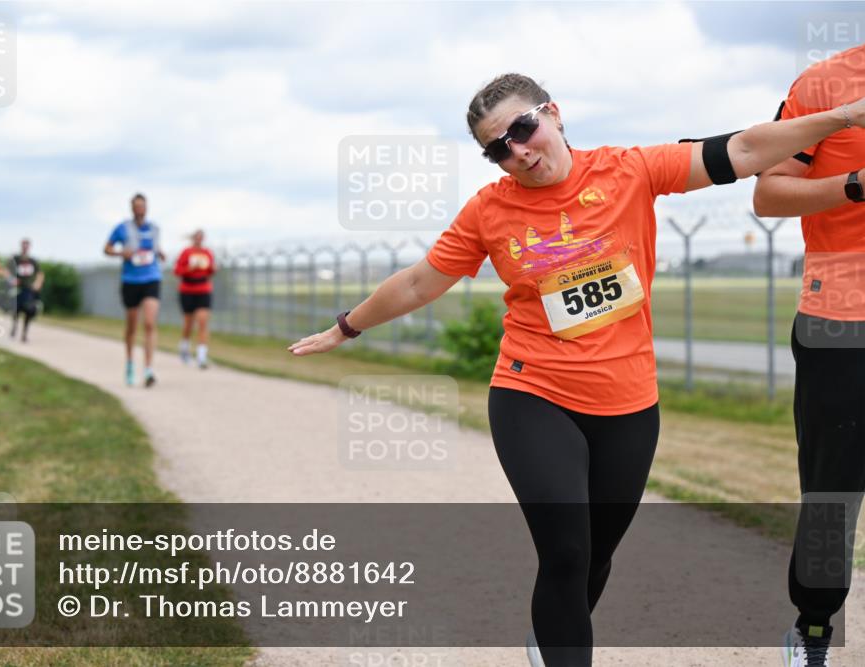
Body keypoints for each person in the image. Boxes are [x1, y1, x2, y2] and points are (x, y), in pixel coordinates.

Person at [289, 73, 865, 667]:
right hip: (532, 392)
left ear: (554, 114)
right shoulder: (490, 210)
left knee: (594, 556)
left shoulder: (630, 170)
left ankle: (551, 638)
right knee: (565, 551)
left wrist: (844, 115)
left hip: (629, 402)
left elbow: (743, 150)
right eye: (497, 148)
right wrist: (346, 327)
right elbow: (418, 283)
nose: (517, 151)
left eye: (522, 128)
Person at [753, 44, 864, 667]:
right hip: (842, 320)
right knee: (833, 494)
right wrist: (855, 185)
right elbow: (769, 194)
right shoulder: (825, 83)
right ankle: (814, 629)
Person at [104, 193, 164, 387]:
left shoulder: (154, 228)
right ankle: (130, 364)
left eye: (142, 206)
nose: (140, 209)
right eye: (137, 206)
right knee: (132, 326)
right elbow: (106, 248)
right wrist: (121, 253)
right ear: (132, 208)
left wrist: (160, 253)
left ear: (147, 208)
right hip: (131, 280)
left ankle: (148, 369)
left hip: (151, 278)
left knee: (149, 323)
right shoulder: (122, 228)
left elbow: (154, 249)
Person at [173, 229, 215, 368]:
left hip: (203, 289)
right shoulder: (186, 252)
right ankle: (184, 348)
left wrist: (213, 268)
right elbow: (177, 271)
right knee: (189, 323)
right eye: (197, 237)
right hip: (187, 290)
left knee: (202, 322)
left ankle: (201, 356)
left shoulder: (207, 253)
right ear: (193, 238)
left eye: (201, 237)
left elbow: (210, 270)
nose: (199, 240)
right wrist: (190, 268)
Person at [7, 239, 45, 343]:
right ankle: (14, 326)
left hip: (28, 289)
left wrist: (37, 284)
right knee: (15, 310)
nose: (25, 247)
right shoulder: (15, 259)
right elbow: (7, 271)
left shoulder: (33, 261)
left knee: (30, 310)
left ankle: (24, 333)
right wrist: (12, 280)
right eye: (24, 245)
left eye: (27, 245)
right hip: (18, 289)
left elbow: (40, 274)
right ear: (21, 246)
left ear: (29, 247)